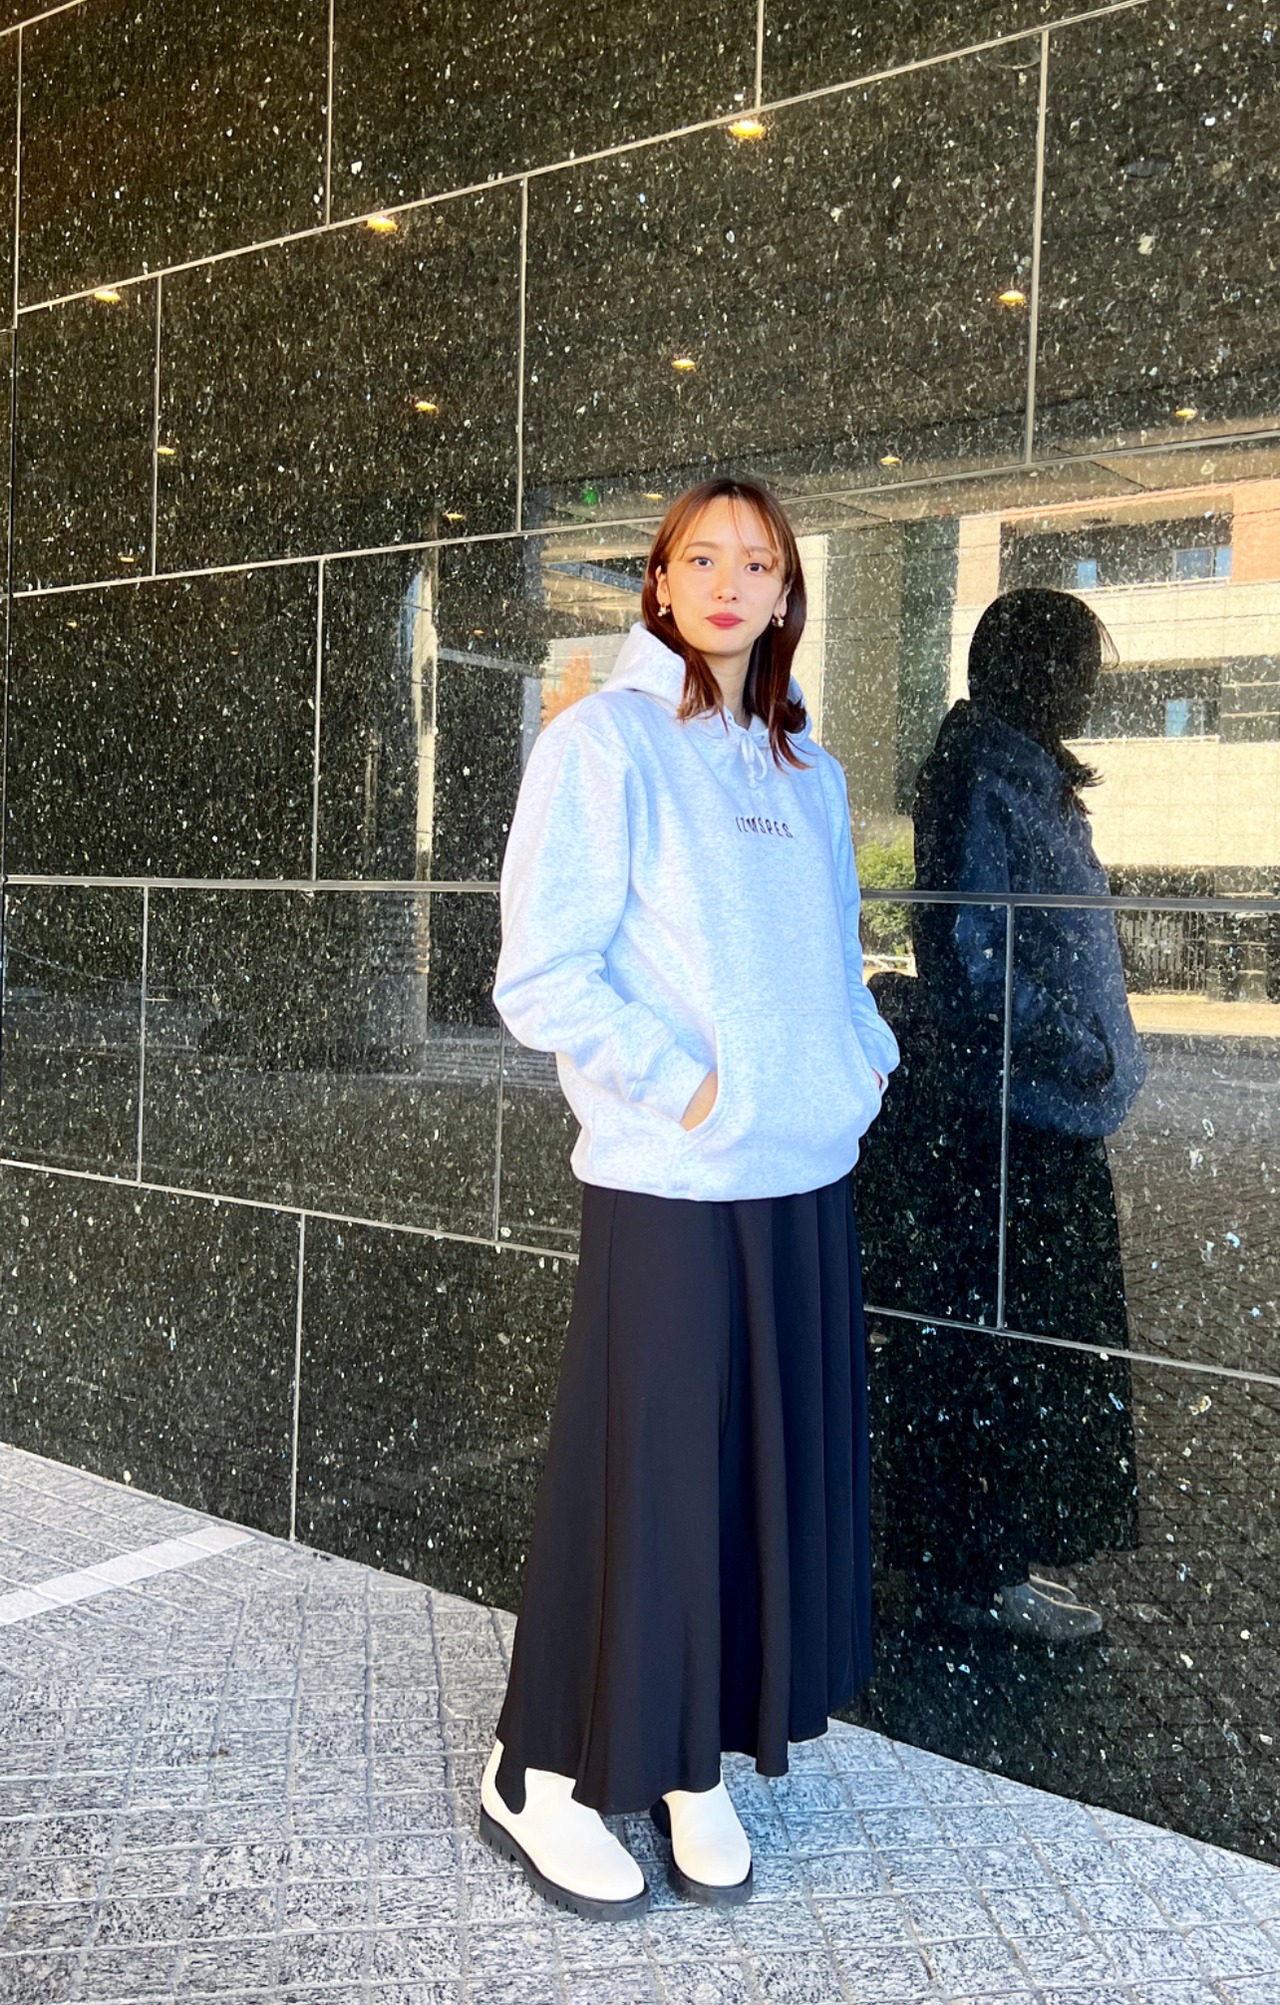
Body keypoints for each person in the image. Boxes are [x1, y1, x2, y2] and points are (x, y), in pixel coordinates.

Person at [482, 479, 899, 1920]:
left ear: (786, 592)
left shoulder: (807, 768)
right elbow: (540, 973)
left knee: (746, 1479)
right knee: (644, 1470)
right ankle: (537, 1772)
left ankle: (689, 1759)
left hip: (802, 1172)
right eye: (700, 556)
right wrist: (692, 1090)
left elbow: (837, 959)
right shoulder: (603, 743)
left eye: (757, 562)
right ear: (658, 581)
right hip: (670, 1176)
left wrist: (854, 1065)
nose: (729, 581)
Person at [857, 587, 1145, 1643]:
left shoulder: (1019, 773)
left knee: (1020, 1348)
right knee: (1001, 1351)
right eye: (1077, 665)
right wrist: (1079, 1044)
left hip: (1038, 1114)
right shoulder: (985, 775)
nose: (1090, 686)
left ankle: (984, 1563)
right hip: (1010, 1120)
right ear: (1032, 668)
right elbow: (972, 959)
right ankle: (971, 1571)